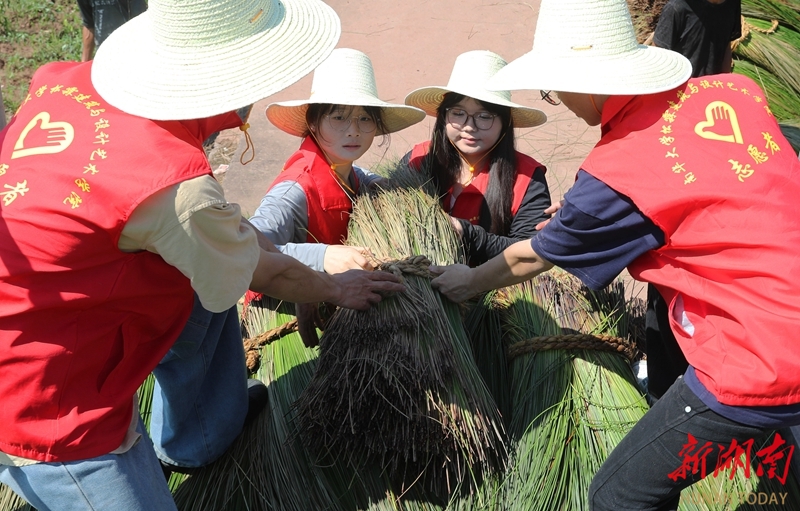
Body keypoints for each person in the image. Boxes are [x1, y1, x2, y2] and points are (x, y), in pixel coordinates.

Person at [0, 1, 403, 510]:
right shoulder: (172, 182)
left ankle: (198, 438)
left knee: (203, 292)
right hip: (45, 397)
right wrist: (335, 287)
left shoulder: (67, 80)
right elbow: (261, 268)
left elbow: (222, 237)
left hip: (60, 301)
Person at [430, 0, 800, 509]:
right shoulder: (732, 92)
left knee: (618, 494)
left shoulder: (615, 172)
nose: (559, 98)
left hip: (759, 357)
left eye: (553, 89)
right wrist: (596, 210)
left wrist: (467, 283)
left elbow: (531, 257)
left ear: (580, 81)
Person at [247, 48, 424, 345]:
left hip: (334, 299)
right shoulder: (293, 191)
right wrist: (323, 257)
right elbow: (250, 251)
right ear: (313, 124)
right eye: (339, 117)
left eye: (365, 119)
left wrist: (377, 181)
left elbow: (359, 173)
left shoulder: (345, 169)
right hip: (279, 310)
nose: (353, 131)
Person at [403, 50, 551, 266]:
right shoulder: (417, 159)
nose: (469, 127)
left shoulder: (528, 177)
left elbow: (530, 252)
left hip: (490, 288)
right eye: (458, 113)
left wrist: (468, 235)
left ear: (505, 122)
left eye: (484, 116)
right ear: (444, 116)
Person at [653, 0, 741, 77]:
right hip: (683, 89)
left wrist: (725, 80)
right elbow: (658, 56)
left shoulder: (732, 4)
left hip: (713, 87)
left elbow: (726, 43)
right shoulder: (677, 8)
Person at [78, 0, 147, 62]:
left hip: (132, 54)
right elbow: (89, 24)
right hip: (103, 57)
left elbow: (141, 20)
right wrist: (84, 63)